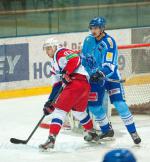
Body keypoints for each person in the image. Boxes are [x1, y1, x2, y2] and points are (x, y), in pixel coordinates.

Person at [82, 17, 141, 144]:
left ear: (102, 28)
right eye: (92, 28)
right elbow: (84, 59)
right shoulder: (88, 40)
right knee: (93, 106)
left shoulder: (109, 42)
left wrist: (100, 72)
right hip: (95, 79)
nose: (93, 30)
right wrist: (87, 73)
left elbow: (109, 64)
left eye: (96, 28)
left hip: (111, 77)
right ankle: (106, 130)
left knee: (120, 104)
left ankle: (133, 132)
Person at [39, 38, 99, 150]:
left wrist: (66, 73)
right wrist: (50, 102)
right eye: (46, 49)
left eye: (49, 48)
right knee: (79, 112)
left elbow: (75, 59)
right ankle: (91, 132)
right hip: (83, 87)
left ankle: (51, 139)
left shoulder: (61, 52)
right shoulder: (53, 65)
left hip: (76, 83)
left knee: (59, 111)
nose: (47, 51)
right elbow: (57, 85)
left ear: (55, 47)